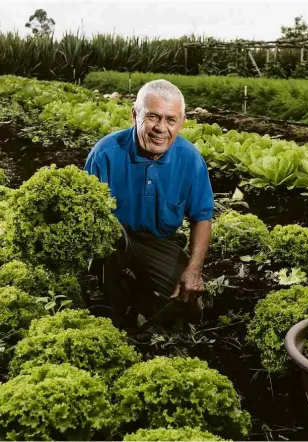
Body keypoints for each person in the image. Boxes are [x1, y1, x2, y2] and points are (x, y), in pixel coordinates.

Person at [84, 79, 214, 329]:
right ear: (135, 114)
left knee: (188, 309)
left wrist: (193, 269)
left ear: (181, 122)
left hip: (157, 242)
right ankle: (111, 305)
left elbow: (202, 217)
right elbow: (85, 214)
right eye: (153, 117)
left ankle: (136, 287)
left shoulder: (190, 159)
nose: (161, 128)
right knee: (111, 295)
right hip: (111, 240)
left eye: (170, 119)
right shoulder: (105, 153)